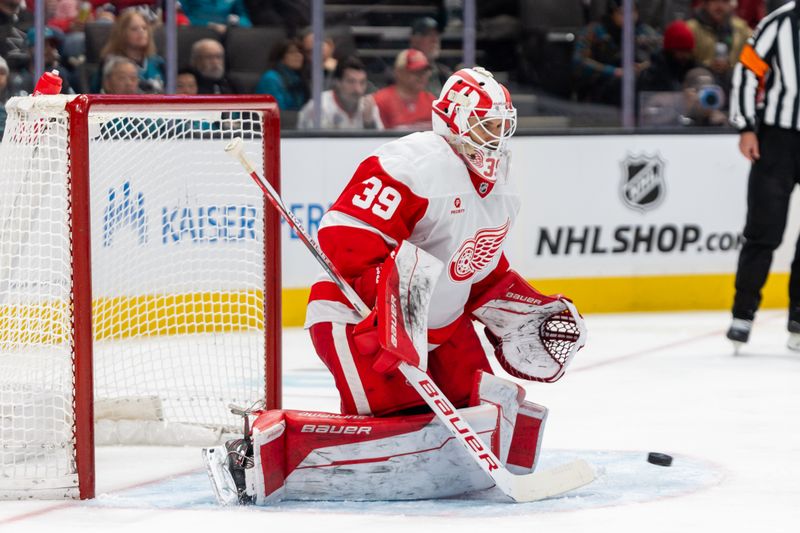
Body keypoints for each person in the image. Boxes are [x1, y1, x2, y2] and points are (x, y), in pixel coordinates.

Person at [205, 67, 585, 503]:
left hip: (439, 329)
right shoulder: (415, 165)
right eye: (486, 124)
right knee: (399, 416)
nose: (496, 136)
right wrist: (394, 314)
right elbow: (343, 240)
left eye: (502, 125)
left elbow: (476, 269)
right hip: (360, 322)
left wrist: (517, 307)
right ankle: (255, 456)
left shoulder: (501, 185)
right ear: (453, 120)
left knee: (481, 407)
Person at [727, 1, 800, 349]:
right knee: (764, 229)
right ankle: (743, 315)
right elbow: (746, 70)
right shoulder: (780, 22)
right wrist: (746, 126)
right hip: (778, 139)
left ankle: (798, 319)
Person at [572, 0, 660, 106]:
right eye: (622, 13)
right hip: (601, 88)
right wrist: (614, 71)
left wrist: (641, 67)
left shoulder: (644, 31)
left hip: (637, 87)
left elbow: (662, 56)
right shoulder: (595, 31)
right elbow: (579, 61)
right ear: (612, 13)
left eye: (633, 12)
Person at [297, 56, 382, 130]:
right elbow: (313, 145)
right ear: (337, 83)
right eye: (351, 82)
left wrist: (369, 123)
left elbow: (379, 145)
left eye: (362, 82)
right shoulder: (318, 107)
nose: (358, 90)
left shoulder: (368, 107)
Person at [95, 10, 165, 93]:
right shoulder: (112, 65)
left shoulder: (158, 62)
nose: (141, 31)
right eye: (134, 29)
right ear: (122, 33)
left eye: (144, 28)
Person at [686, 0, 751, 89]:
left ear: (731, 5)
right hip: (699, 87)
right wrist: (707, 66)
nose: (719, 6)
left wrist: (730, 66)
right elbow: (683, 62)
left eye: (724, 1)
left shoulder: (741, 29)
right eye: (714, 1)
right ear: (706, 4)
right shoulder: (690, 29)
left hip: (733, 86)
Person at [372, 48, 436, 130]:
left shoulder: (431, 101)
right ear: (399, 72)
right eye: (416, 71)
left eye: (424, 72)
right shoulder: (381, 101)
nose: (421, 76)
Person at [638, 20, 698, 93]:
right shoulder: (654, 73)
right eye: (681, 50)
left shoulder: (692, 68)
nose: (685, 55)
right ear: (670, 50)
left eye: (688, 51)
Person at [255, 38, 307, 111]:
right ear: (280, 57)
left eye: (301, 52)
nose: (298, 55)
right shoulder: (271, 78)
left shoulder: (299, 78)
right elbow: (278, 112)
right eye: (292, 52)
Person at [408, 16, 451, 95]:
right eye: (428, 35)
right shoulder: (402, 72)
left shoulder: (444, 74)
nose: (435, 40)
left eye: (437, 35)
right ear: (414, 39)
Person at [181, 0, 251, 34]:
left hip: (226, 34)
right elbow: (182, 17)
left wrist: (236, 21)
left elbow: (246, 22)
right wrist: (209, 25)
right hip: (197, 32)